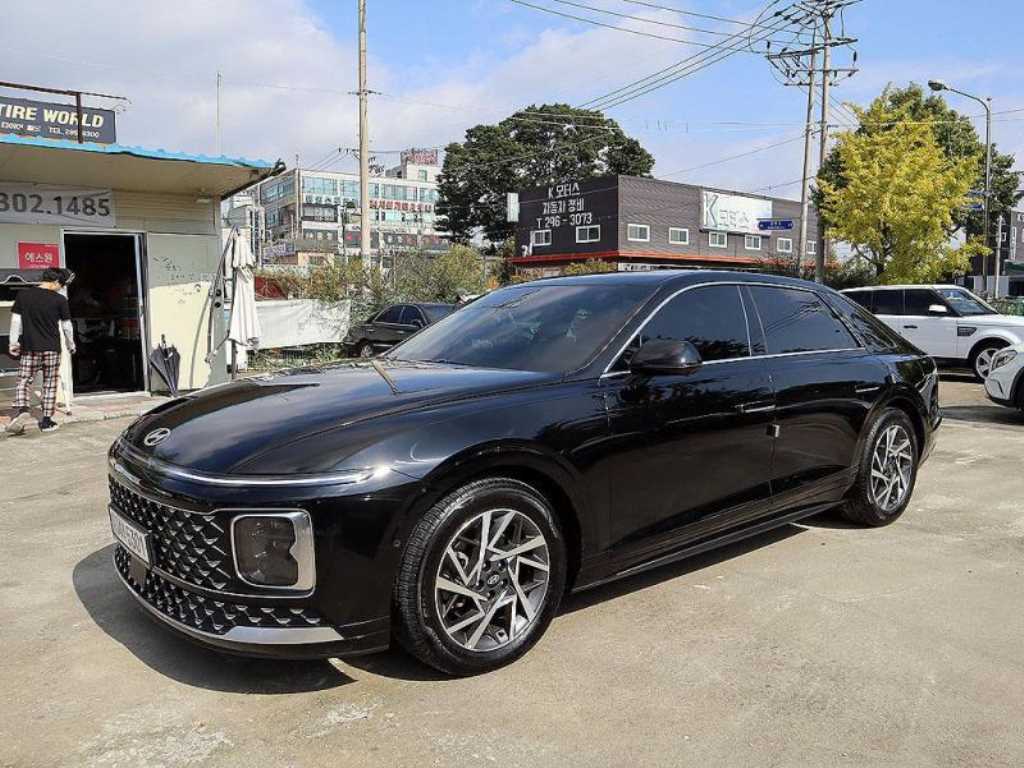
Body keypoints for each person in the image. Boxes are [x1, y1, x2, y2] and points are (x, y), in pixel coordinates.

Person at [6, 268, 76, 435]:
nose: (61, 288)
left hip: (30, 348)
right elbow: (67, 326)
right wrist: (71, 344)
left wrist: (13, 343)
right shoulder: (60, 299)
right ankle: (46, 421)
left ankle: (23, 410)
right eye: (61, 285)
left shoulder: (24, 295)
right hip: (52, 348)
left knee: (24, 381)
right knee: (50, 383)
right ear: (56, 282)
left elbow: (16, 321)